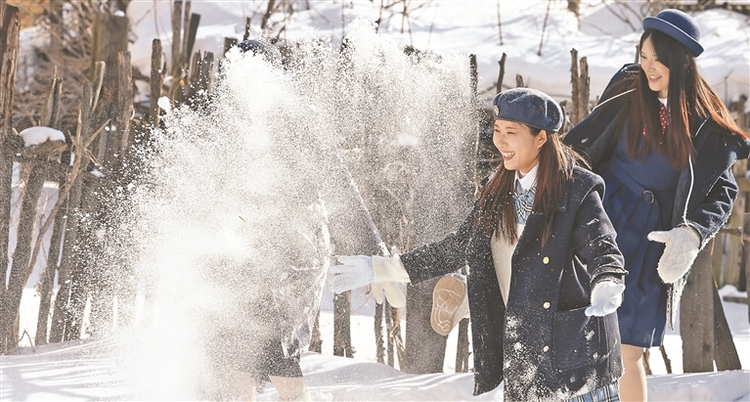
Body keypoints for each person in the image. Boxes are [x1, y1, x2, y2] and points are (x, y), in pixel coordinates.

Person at [330, 87, 628, 401]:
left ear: (542, 137)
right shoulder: (498, 192)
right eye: (498, 130)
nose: (500, 141)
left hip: (575, 357)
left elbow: (602, 244)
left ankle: (464, 296)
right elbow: (455, 247)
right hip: (525, 357)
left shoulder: (576, 189)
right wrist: (379, 268)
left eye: (511, 132)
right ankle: (466, 295)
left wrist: (608, 280)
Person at [562, 9, 750, 402]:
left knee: (628, 349)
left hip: (652, 243)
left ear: (680, 61)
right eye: (643, 56)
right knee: (578, 338)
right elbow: (584, 144)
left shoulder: (706, 121)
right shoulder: (629, 89)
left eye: (656, 59)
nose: (647, 67)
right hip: (604, 225)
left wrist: (693, 232)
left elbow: (723, 191)